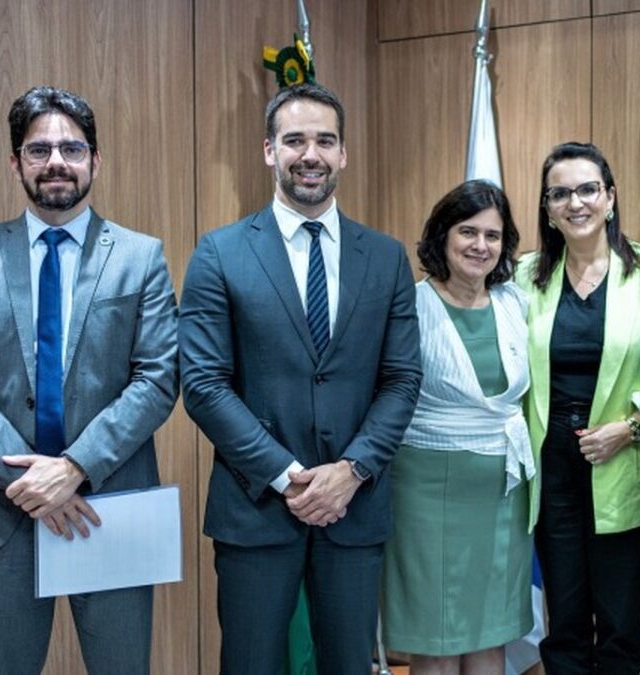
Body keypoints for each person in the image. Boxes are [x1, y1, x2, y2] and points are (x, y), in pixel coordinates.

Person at [178, 83, 421, 674]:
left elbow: (401, 378)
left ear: (343, 153)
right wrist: (289, 478)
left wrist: (352, 470)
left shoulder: (385, 257)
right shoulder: (220, 253)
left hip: (354, 509)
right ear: (269, 150)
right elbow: (204, 384)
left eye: (325, 141)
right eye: (294, 141)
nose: (310, 154)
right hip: (256, 509)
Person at [0, 86, 178, 674]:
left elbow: (158, 379)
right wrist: (31, 482)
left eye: (72, 148)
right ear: (15, 163)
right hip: (1, 513)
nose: (56, 161)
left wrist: (74, 468)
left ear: (95, 161)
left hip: (109, 508)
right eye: (39, 150)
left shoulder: (141, 257)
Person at [516, 141, 640, 674]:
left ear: (610, 197)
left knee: (619, 626)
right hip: (551, 468)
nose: (575, 203)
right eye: (559, 194)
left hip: (623, 459)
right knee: (564, 624)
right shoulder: (524, 275)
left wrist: (630, 427)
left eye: (588, 189)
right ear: (547, 208)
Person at [381, 180, 535, 675]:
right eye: (468, 231)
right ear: (442, 236)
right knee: (439, 637)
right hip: (426, 492)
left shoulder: (516, 303)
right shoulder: (411, 305)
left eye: (493, 235)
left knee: (492, 634)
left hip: (503, 491)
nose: (480, 245)